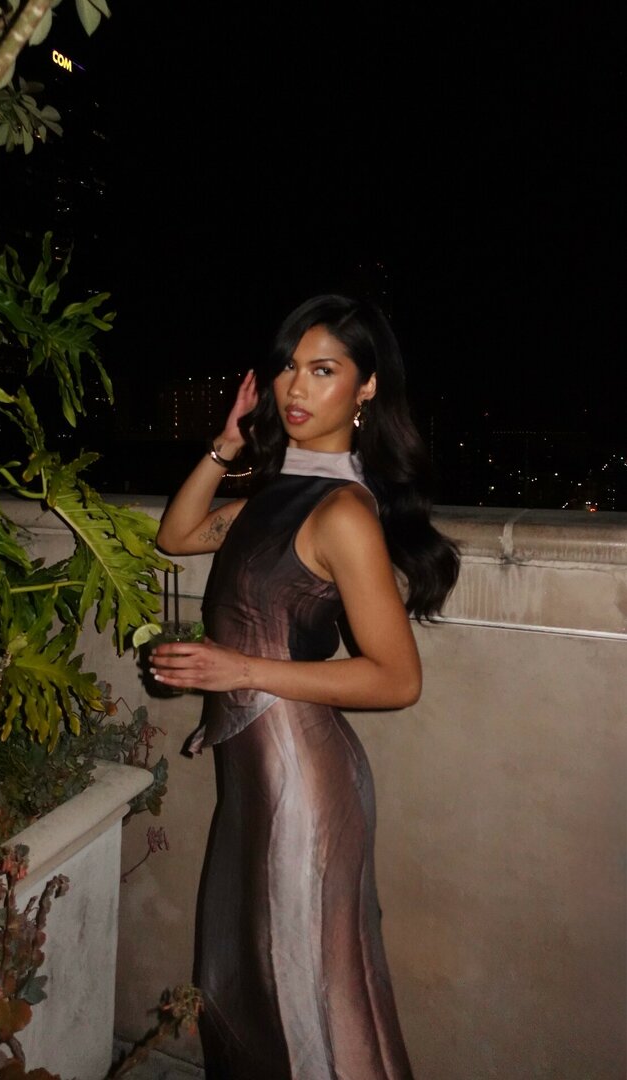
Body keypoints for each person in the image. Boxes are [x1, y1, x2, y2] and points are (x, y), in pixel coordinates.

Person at [153, 294, 459, 1080]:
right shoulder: (273, 494)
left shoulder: (343, 512)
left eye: (323, 370)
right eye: (290, 367)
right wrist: (226, 443)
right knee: (252, 984)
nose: (295, 387)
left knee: (306, 995)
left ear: (366, 389)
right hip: (257, 779)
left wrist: (240, 670)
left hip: (304, 783)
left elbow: (398, 679)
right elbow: (176, 534)